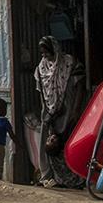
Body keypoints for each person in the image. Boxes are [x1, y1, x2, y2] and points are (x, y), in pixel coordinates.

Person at [32, 36, 84, 188]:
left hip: (68, 111)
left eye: (46, 52)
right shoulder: (41, 69)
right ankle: (53, 176)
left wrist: (75, 110)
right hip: (50, 112)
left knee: (69, 142)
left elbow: (80, 86)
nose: (44, 56)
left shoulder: (69, 63)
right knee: (51, 145)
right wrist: (47, 112)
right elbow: (41, 92)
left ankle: (74, 176)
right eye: (42, 54)